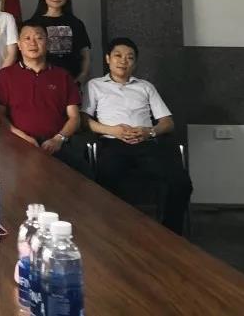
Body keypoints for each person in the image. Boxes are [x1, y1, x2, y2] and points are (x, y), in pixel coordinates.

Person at [82, 37, 193, 235]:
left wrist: (148, 131)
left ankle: (170, 233)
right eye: (118, 55)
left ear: (135, 62)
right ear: (108, 59)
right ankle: (111, 232)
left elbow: (168, 123)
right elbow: (84, 120)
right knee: (105, 181)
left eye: (129, 57)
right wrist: (113, 130)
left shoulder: (145, 86)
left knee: (181, 183)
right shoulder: (95, 85)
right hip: (113, 144)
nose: (123, 61)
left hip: (146, 144)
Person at [0, 20, 90, 176]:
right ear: (19, 45)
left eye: (39, 38)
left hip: (56, 144)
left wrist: (58, 139)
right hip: (18, 143)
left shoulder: (62, 76)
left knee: (84, 174)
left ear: (48, 43)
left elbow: (74, 117)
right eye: (27, 38)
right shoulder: (6, 75)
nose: (33, 43)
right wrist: (22, 137)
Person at [30, 0, 91, 85]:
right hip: (39, 84)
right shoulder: (31, 24)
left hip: (70, 83)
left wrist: (80, 80)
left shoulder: (76, 23)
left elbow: (85, 56)